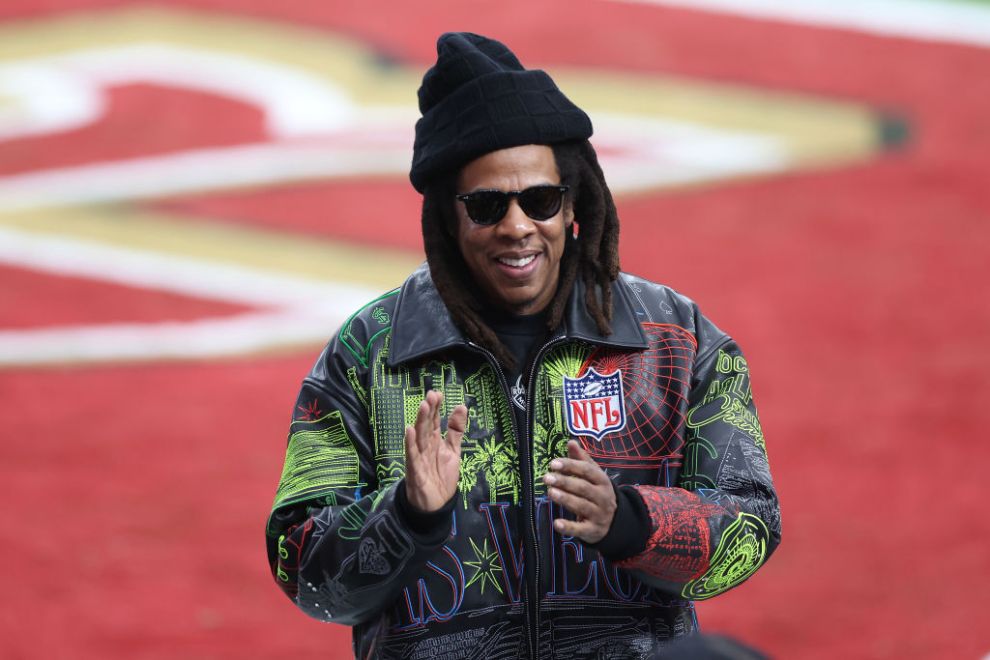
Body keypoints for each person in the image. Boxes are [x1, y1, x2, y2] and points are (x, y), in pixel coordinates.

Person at [266, 32, 781, 659]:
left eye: (538, 199)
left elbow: (752, 527)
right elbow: (304, 575)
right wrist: (405, 517)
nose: (516, 227)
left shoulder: (676, 338)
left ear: (573, 205)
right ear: (448, 221)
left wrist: (631, 524)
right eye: (486, 206)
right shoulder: (366, 353)